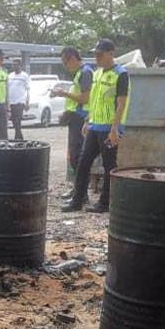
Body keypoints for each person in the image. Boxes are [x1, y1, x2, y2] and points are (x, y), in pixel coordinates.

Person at [62, 39, 130, 213]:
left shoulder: (121, 74)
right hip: (95, 126)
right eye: (95, 54)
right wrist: (88, 120)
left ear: (111, 54)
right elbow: (95, 100)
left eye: (100, 54)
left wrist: (115, 129)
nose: (97, 58)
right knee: (83, 162)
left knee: (109, 165)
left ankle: (104, 203)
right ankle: (77, 200)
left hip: (109, 128)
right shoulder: (98, 73)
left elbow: (121, 104)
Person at [54, 47, 93, 203]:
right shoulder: (79, 73)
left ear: (72, 58)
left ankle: (82, 194)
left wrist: (64, 93)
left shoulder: (85, 73)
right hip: (75, 117)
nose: (65, 66)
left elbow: (85, 98)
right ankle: (78, 190)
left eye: (66, 62)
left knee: (78, 157)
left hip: (81, 118)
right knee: (74, 156)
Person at [8, 58, 30, 141]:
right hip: (11, 102)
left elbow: (28, 90)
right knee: (14, 121)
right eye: (13, 65)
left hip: (20, 101)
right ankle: (20, 138)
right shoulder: (10, 76)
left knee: (17, 120)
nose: (14, 66)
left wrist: (27, 102)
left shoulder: (25, 76)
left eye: (16, 65)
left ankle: (17, 138)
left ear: (20, 65)